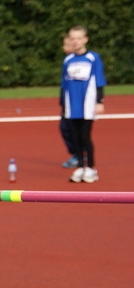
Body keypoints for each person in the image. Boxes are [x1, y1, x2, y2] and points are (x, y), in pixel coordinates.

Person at [61, 25, 106, 183]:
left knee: (85, 136)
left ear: (85, 40)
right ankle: (80, 166)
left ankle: (91, 168)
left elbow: (99, 80)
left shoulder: (93, 58)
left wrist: (99, 101)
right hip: (71, 104)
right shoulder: (68, 60)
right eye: (73, 39)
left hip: (87, 104)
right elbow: (64, 84)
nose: (76, 42)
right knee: (75, 136)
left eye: (79, 38)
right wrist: (63, 105)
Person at [60, 34, 79, 169]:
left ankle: (80, 156)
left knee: (75, 130)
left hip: (76, 103)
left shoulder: (81, 61)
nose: (64, 48)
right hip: (67, 101)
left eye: (67, 45)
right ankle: (77, 154)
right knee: (65, 128)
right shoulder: (67, 60)